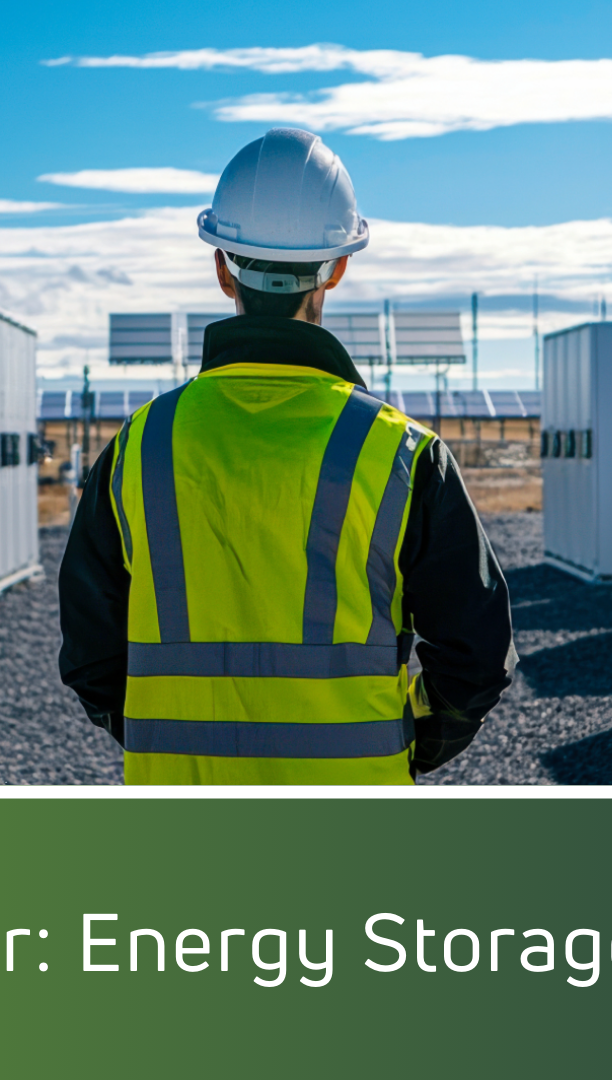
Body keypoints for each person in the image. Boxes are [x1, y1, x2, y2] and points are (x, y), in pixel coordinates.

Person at [58, 127, 514, 784]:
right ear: (337, 268)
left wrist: (167, 737)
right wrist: (407, 737)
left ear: (222, 269)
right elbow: (477, 656)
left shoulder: (139, 446)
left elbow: (90, 656)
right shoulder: (403, 455)